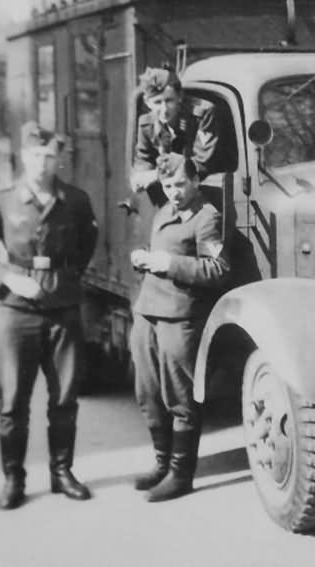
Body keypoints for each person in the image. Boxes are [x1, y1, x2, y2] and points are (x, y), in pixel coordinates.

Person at [0, 122, 99, 510]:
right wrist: (11, 280)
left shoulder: (75, 200)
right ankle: (14, 477)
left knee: (65, 397)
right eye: (36, 155)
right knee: (12, 401)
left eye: (49, 156)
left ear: (58, 160)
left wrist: (63, 278)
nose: (42, 162)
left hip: (63, 311)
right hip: (17, 312)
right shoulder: (2, 199)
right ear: (24, 157)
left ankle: (62, 472)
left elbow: (85, 246)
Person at [129, 152, 230, 502]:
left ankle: (181, 474)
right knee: (148, 393)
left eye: (180, 184)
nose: (174, 191)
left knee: (181, 400)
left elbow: (218, 270)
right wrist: (144, 257)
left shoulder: (206, 218)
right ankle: (162, 464)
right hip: (148, 312)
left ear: (195, 181)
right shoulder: (164, 212)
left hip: (180, 317)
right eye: (168, 185)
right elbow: (160, 251)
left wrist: (167, 263)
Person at [130, 66, 222, 195]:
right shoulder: (147, 124)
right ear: (147, 102)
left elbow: (202, 163)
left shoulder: (201, 114)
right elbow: (143, 160)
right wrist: (140, 177)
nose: (164, 109)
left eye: (169, 100)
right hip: (170, 193)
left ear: (180, 96)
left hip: (201, 190)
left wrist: (158, 174)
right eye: (157, 102)